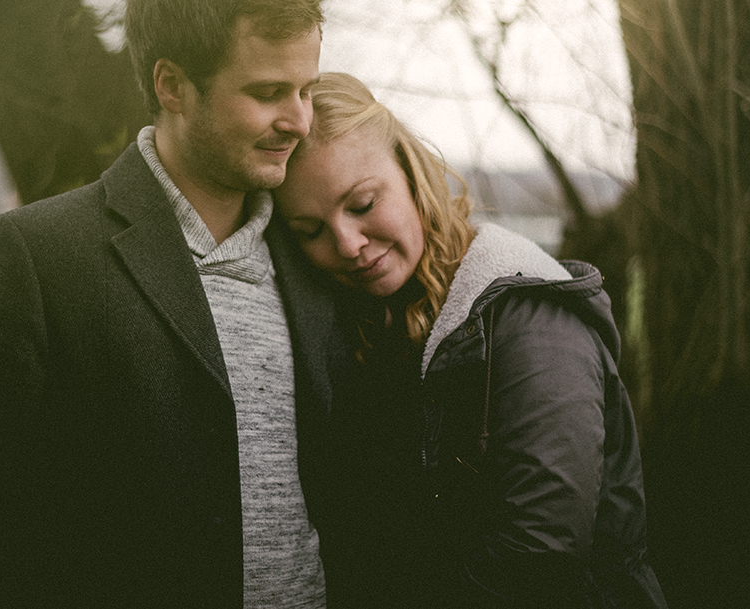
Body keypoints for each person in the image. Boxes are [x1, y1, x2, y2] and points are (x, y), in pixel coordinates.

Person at [0, 0, 345, 608]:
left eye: (306, 90)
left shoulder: (320, 251)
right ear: (171, 84)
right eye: (266, 92)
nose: (297, 120)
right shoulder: (37, 256)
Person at [274, 72, 667, 609]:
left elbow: (539, 555)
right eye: (309, 231)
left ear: (413, 175)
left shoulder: (527, 314)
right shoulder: (365, 325)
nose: (347, 243)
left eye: (363, 204)